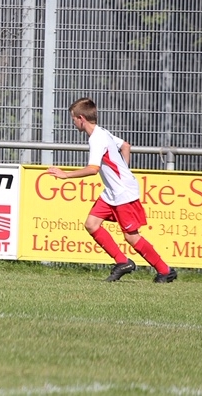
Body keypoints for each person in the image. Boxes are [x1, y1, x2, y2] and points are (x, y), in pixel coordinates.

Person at [47, 98, 177, 283]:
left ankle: (165, 271)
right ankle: (122, 262)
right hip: (112, 192)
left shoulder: (97, 138)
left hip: (123, 193)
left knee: (131, 237)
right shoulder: (102, 132)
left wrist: (65, 175)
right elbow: (126, 146)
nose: (73, 122)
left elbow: (93, 169)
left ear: (81, 118)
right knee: (92, 224)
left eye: (73, 118)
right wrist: (124, 171)